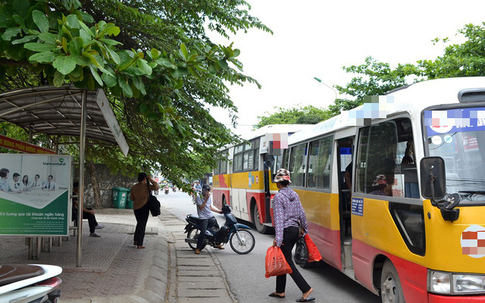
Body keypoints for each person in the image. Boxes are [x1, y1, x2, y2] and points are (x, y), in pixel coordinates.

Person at [269, 168, 314, 302]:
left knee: (287, 262)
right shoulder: (294, 194)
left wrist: (278, 239)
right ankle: (280, 290)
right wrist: (304, 229)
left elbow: (279, 219)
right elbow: (302, 214)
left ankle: (305, 289)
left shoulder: (278, 197)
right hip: (294, 230)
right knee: (284, 258)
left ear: (278, 183)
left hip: (286, 231)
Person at [130, 173, 159, 249]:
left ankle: (136, 240)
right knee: (142, 225)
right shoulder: (147, 187)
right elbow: (156, 186)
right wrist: (150, 179)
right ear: (144, 179)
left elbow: (132, 198)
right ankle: (139, 243)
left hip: (136, 208)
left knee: (139, 223)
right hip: (144, 208)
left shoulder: (134, 187)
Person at [194, 184, 223, 254]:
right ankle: (198, 248)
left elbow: (209, 207)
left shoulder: (209, 197)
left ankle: (217, 243)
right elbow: (201, 207)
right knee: (203, 232)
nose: (206, 192)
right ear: (202, 190)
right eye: (205, 191)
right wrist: (206, 199)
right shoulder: (199, 197)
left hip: (210, 216)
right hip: (203, 217)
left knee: (217, 228)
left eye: (208, 191)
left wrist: (218, 211)